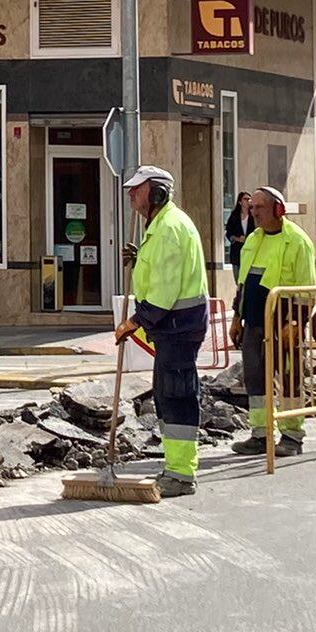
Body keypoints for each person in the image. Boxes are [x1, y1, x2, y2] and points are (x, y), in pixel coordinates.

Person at [112, 165, 209, 498]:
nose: (130, 195)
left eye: (137, 190)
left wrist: (135, 322)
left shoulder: (168, 228)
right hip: (174, 326)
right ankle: (175, 466)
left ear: (156, 193)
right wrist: (139, 260)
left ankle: (182, 474)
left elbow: (165, 291)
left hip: (178, 325)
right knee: (166, 394)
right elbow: (162, 272)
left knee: (177, 395)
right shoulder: (158, 227)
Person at [230, 186, 316, 457]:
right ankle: (260, 433)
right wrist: (236, 317)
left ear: (278, 209)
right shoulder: (254, 240)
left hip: (284, 322)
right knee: (255, 379)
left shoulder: (297, 241)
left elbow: (306, 288)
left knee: (289, 379)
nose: (254, 212)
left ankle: (292, 435)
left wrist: (296, 323)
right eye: (251, 207)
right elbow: (243, 283)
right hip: (255, 322)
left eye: (260, 207)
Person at [223, 195, 250, 277]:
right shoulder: (234, 216)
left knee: (247, 278)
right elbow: (228, 233)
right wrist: (236, 238)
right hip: (237, 252)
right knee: (237, 277)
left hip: (250, 251)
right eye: (245, 199)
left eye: (249, 199)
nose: (248, 201)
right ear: (240, 202)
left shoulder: (253, 215)